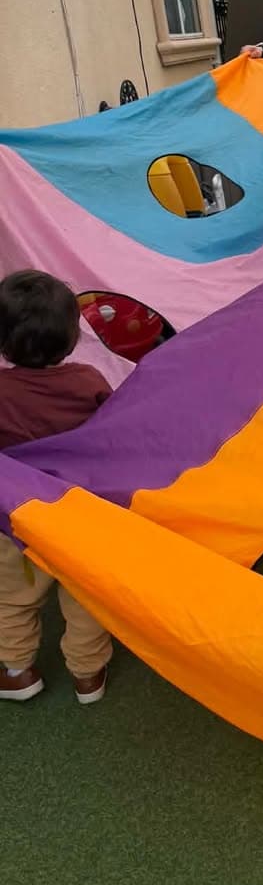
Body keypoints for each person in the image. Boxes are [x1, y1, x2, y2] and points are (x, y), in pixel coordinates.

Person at [0, 271, 113, 705]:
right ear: (73, 335)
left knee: (13, 597)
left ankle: (17, 669)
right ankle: (88, 674)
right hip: (80, 513)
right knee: (84, 592)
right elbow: (111, 435)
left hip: (17, 518)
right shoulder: (88, 382)